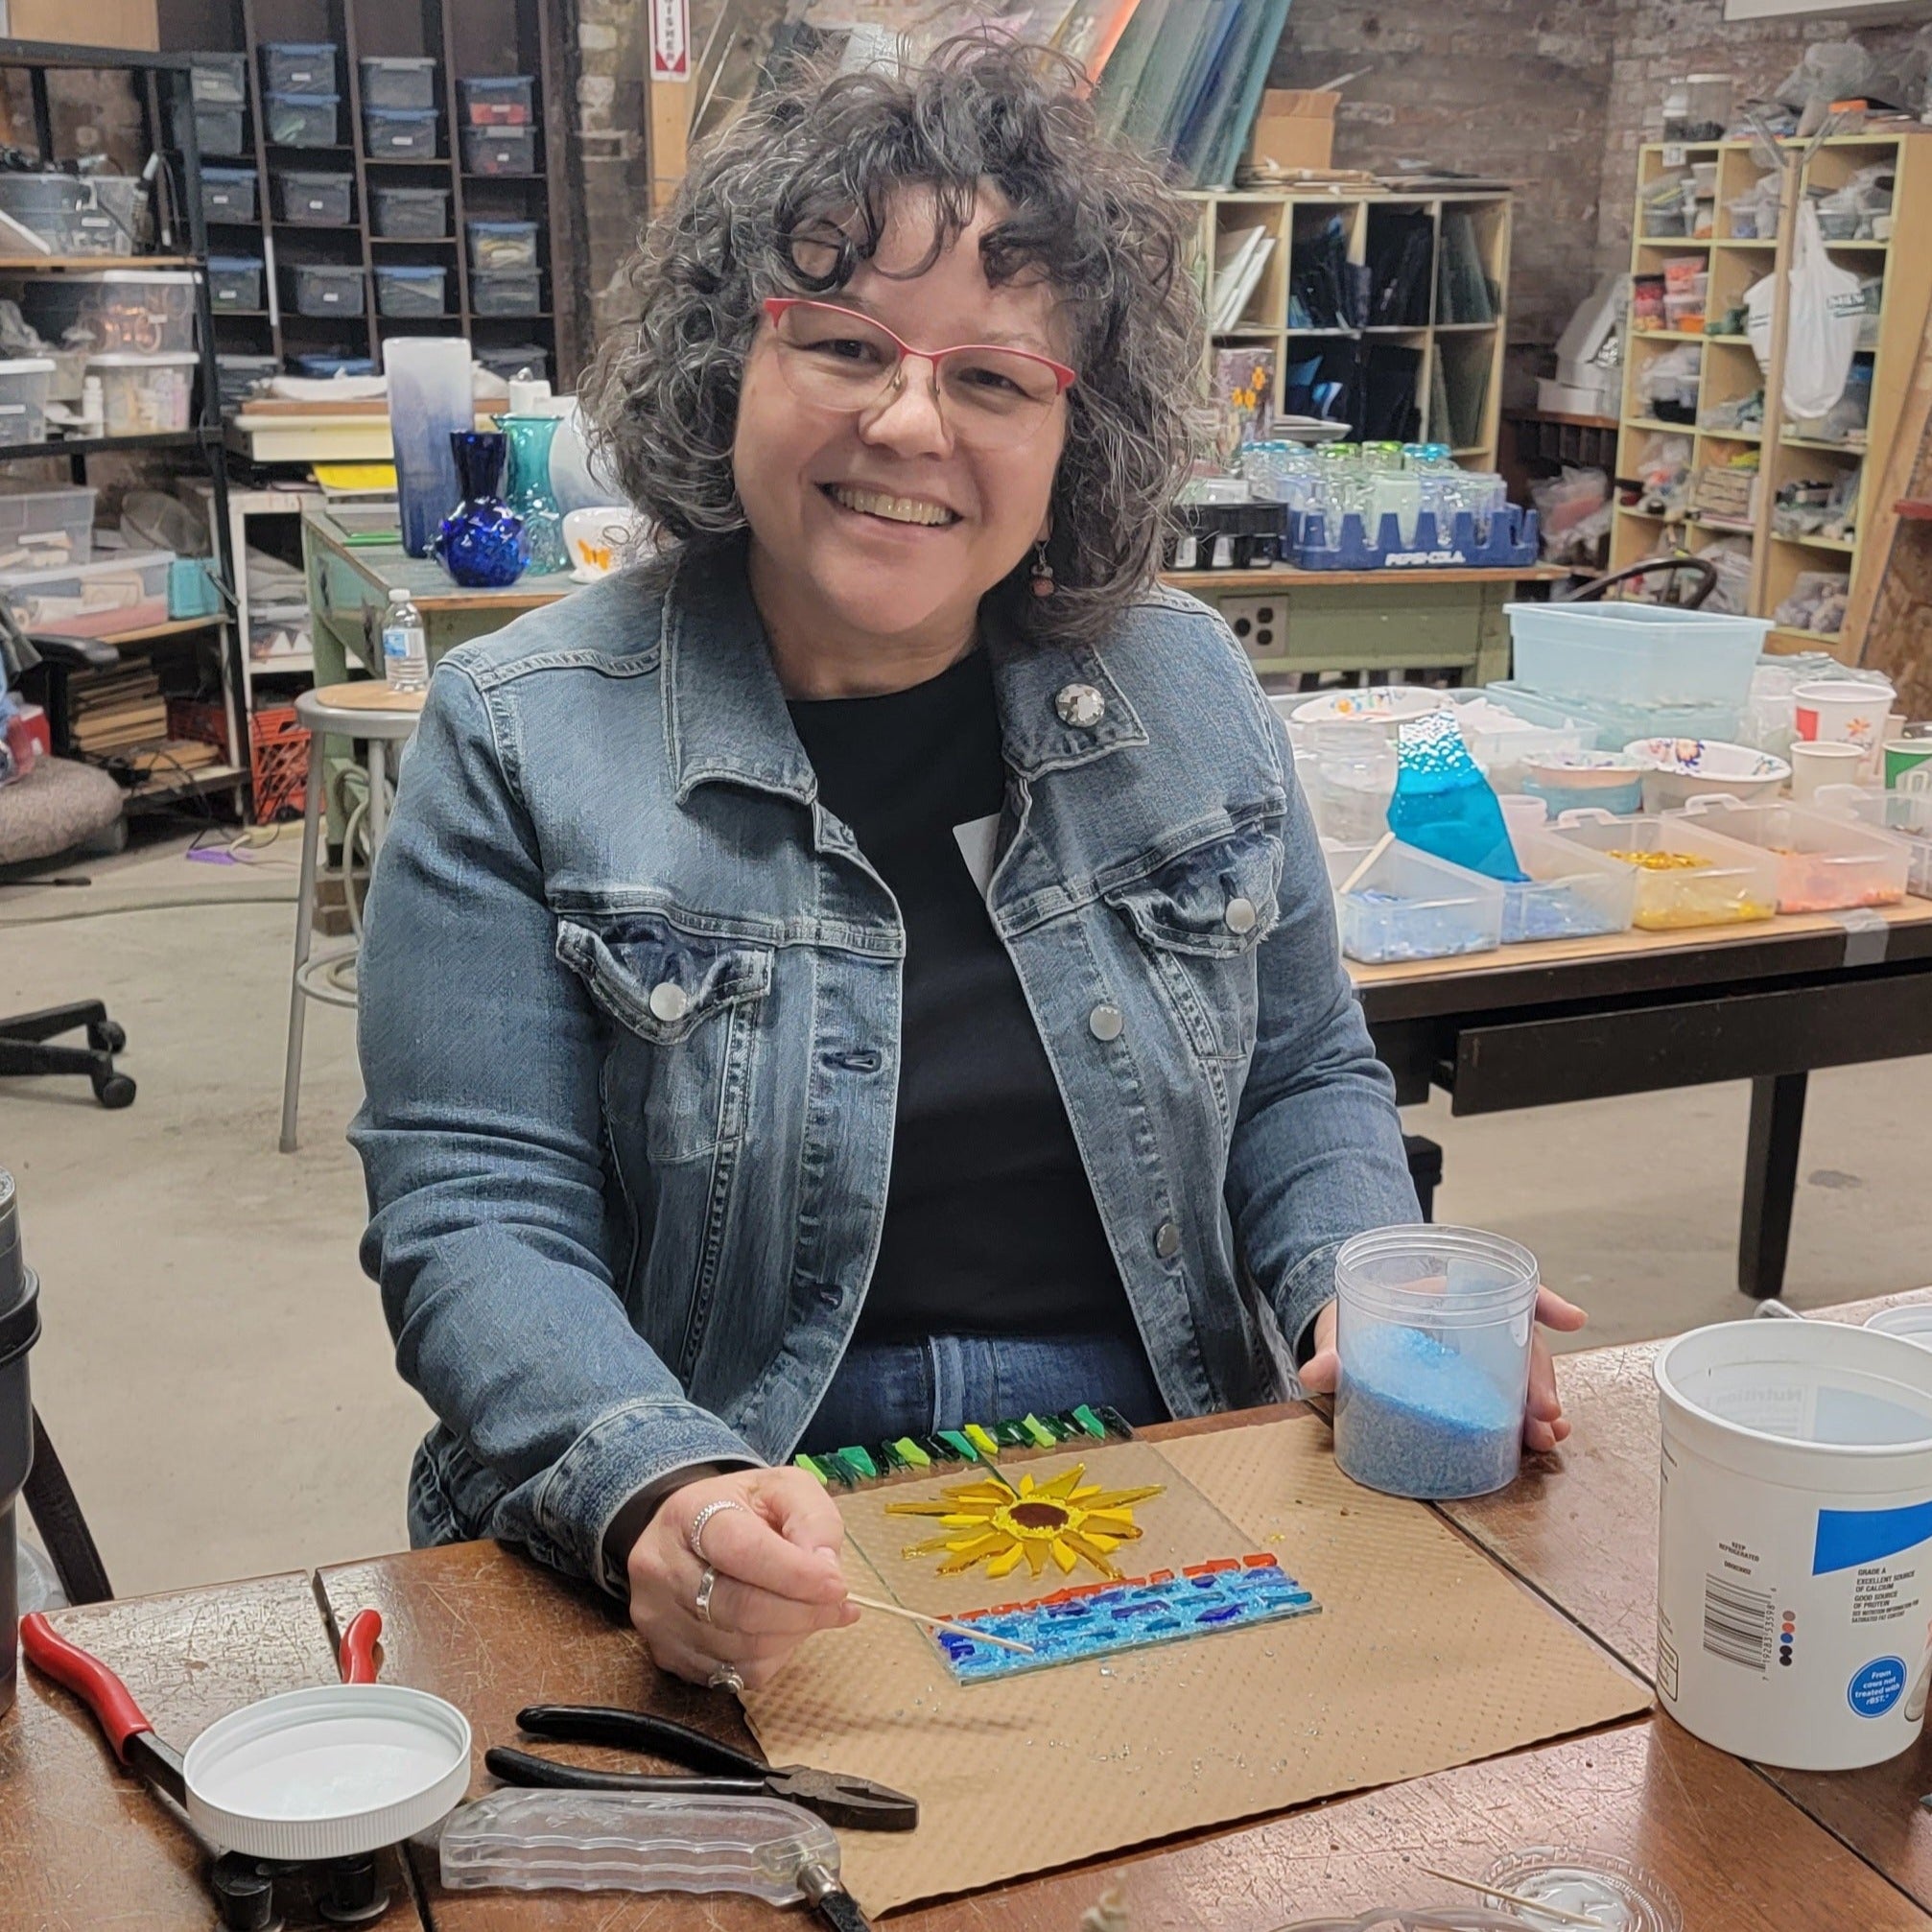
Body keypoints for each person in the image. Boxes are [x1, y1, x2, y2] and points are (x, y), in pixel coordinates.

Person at [352, 40, 1582, 1696]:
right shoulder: (518, 734)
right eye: (843, 346)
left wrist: (1349, 1290)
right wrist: (656, 1484)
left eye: (995, 379)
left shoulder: (1183, 683)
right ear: (733, 364)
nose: (910, 419)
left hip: (1167, 1439)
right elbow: (477, 1212)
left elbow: (1301, 1075)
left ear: (1078, 433)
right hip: (729, 1466)